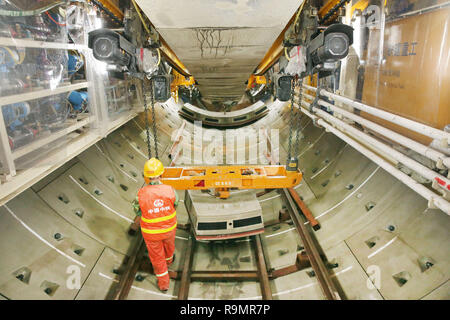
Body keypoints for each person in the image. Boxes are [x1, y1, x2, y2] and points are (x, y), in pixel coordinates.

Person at [132, 158, 179, 292]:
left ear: (146, 176)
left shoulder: (141, 194)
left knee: (157, 258)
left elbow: (137, 210)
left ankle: (164, 284)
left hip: (151, 234)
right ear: (161, 174)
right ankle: (169, 261)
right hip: (169, 229)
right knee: (169, 247)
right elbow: (175, 204)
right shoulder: (170, 190)